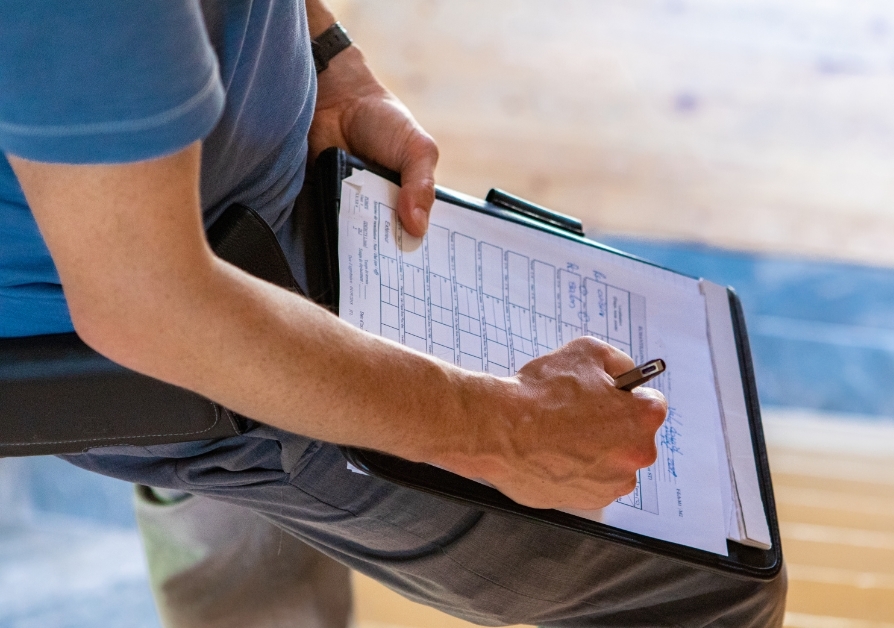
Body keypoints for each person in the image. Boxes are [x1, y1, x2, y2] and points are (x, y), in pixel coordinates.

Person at [0, 1, 787, 626]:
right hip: (176, 325)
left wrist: (330, 60)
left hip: (262, 219)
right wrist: (506, 432)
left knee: (257, 525)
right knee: (700, 593)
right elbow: (149, 308)